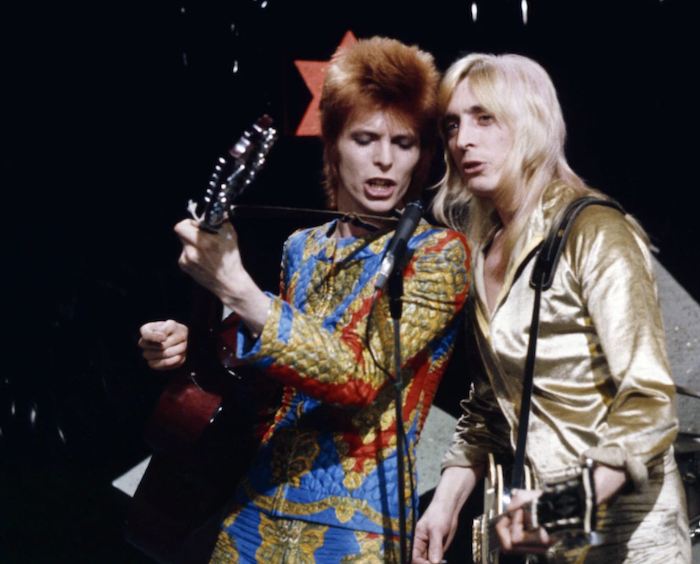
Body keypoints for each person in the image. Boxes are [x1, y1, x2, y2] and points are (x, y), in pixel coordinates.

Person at [139, 37, 471, 564]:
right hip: (253, 510)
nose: (385, 160)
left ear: (423, 154)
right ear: (333, 143)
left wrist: (238, 289)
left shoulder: (438, 254)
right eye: (365, 138)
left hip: (356, 530)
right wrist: (197, 345)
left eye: (404, 143)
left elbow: (357, 378)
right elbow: (278, 371)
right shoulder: (303, 247)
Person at [412, 53, 691, 564]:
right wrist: (444, 506)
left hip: (629, 538)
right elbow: (489, 409)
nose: (463, 139)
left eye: (484, 118)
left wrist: (566, 504)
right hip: (545, 538)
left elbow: (650, 402)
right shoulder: (485, 252)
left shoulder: (595, 231)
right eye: (452, 124)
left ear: (531, 122)